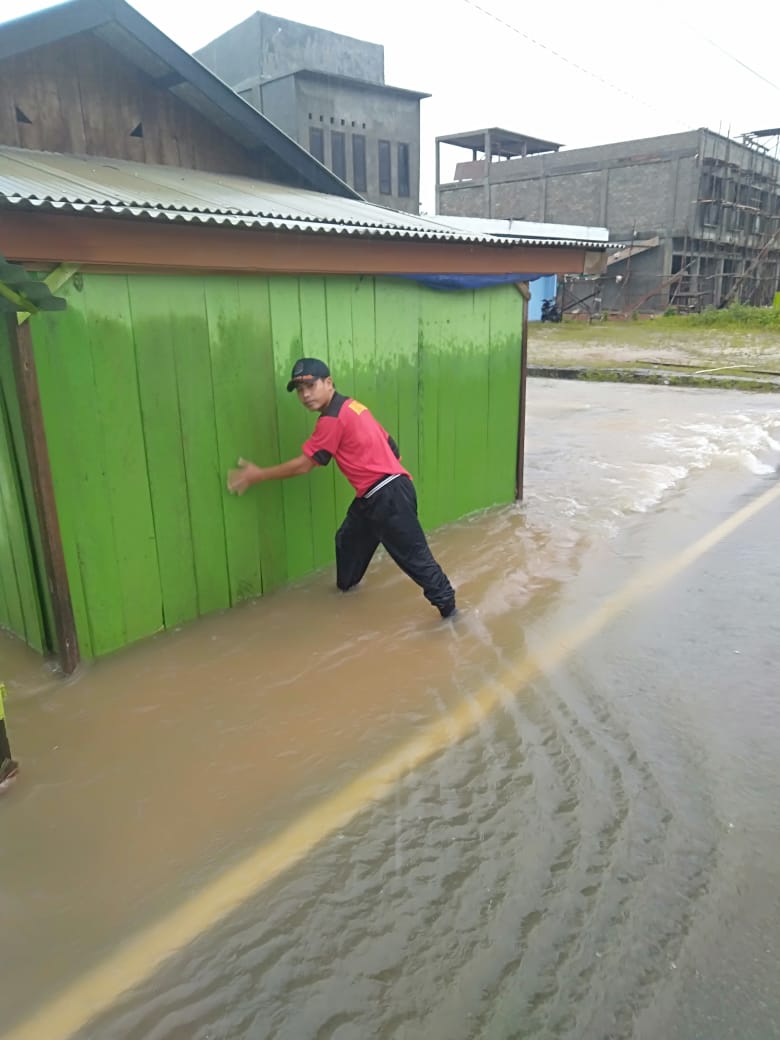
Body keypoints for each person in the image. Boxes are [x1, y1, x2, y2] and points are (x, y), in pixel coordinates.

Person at [227, 357, 457, 618]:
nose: (305, 395)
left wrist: (257, 475)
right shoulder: (354, 407)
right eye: (300, 390)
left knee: (416, 560)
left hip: (387, 496)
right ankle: (346, 598)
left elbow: (304, 465)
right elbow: (392, 445)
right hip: (377, 494)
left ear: (328, 383)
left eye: (310, 386)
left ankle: (453, 618)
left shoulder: (332, 419)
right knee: (347, 540)